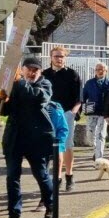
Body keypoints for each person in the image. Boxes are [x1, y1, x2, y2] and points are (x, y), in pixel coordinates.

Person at [0, 57, 55, 218]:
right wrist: (2, 99)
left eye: (35, 70)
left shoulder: (44, 85)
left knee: (41, 174)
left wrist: (19, 82)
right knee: (12, 176)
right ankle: (14, 214)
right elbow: (2, 111)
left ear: (40, 72)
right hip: (15, 138)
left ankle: (50, 204)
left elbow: (36, 98)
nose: (32, 72)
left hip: (36, 139)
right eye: (28, 69)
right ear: (22, 69)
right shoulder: (15, 85)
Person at [42, 46, 82, 192]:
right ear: (50, 58)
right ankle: (56, 177)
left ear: (65, 58)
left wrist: (72, 113)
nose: (59, 59)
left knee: (67, 145)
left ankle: (69, 175)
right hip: (48, 114)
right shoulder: (44, 75)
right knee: (53, 146)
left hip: (67, 114)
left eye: (62, 56)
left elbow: (79, 99)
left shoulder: (72, 75)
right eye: (56, 56)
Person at [82, 62, 109, 161]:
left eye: (102, 69)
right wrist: (81, 107)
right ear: (95, 71)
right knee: (90, 135)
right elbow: (83, 96)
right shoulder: (89, 83)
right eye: (97, 69)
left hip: (103, 114)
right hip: (91, 112)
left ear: (106, 71)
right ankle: (96, 150)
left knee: (100, 135)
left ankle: (99, 158)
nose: (99, 71)